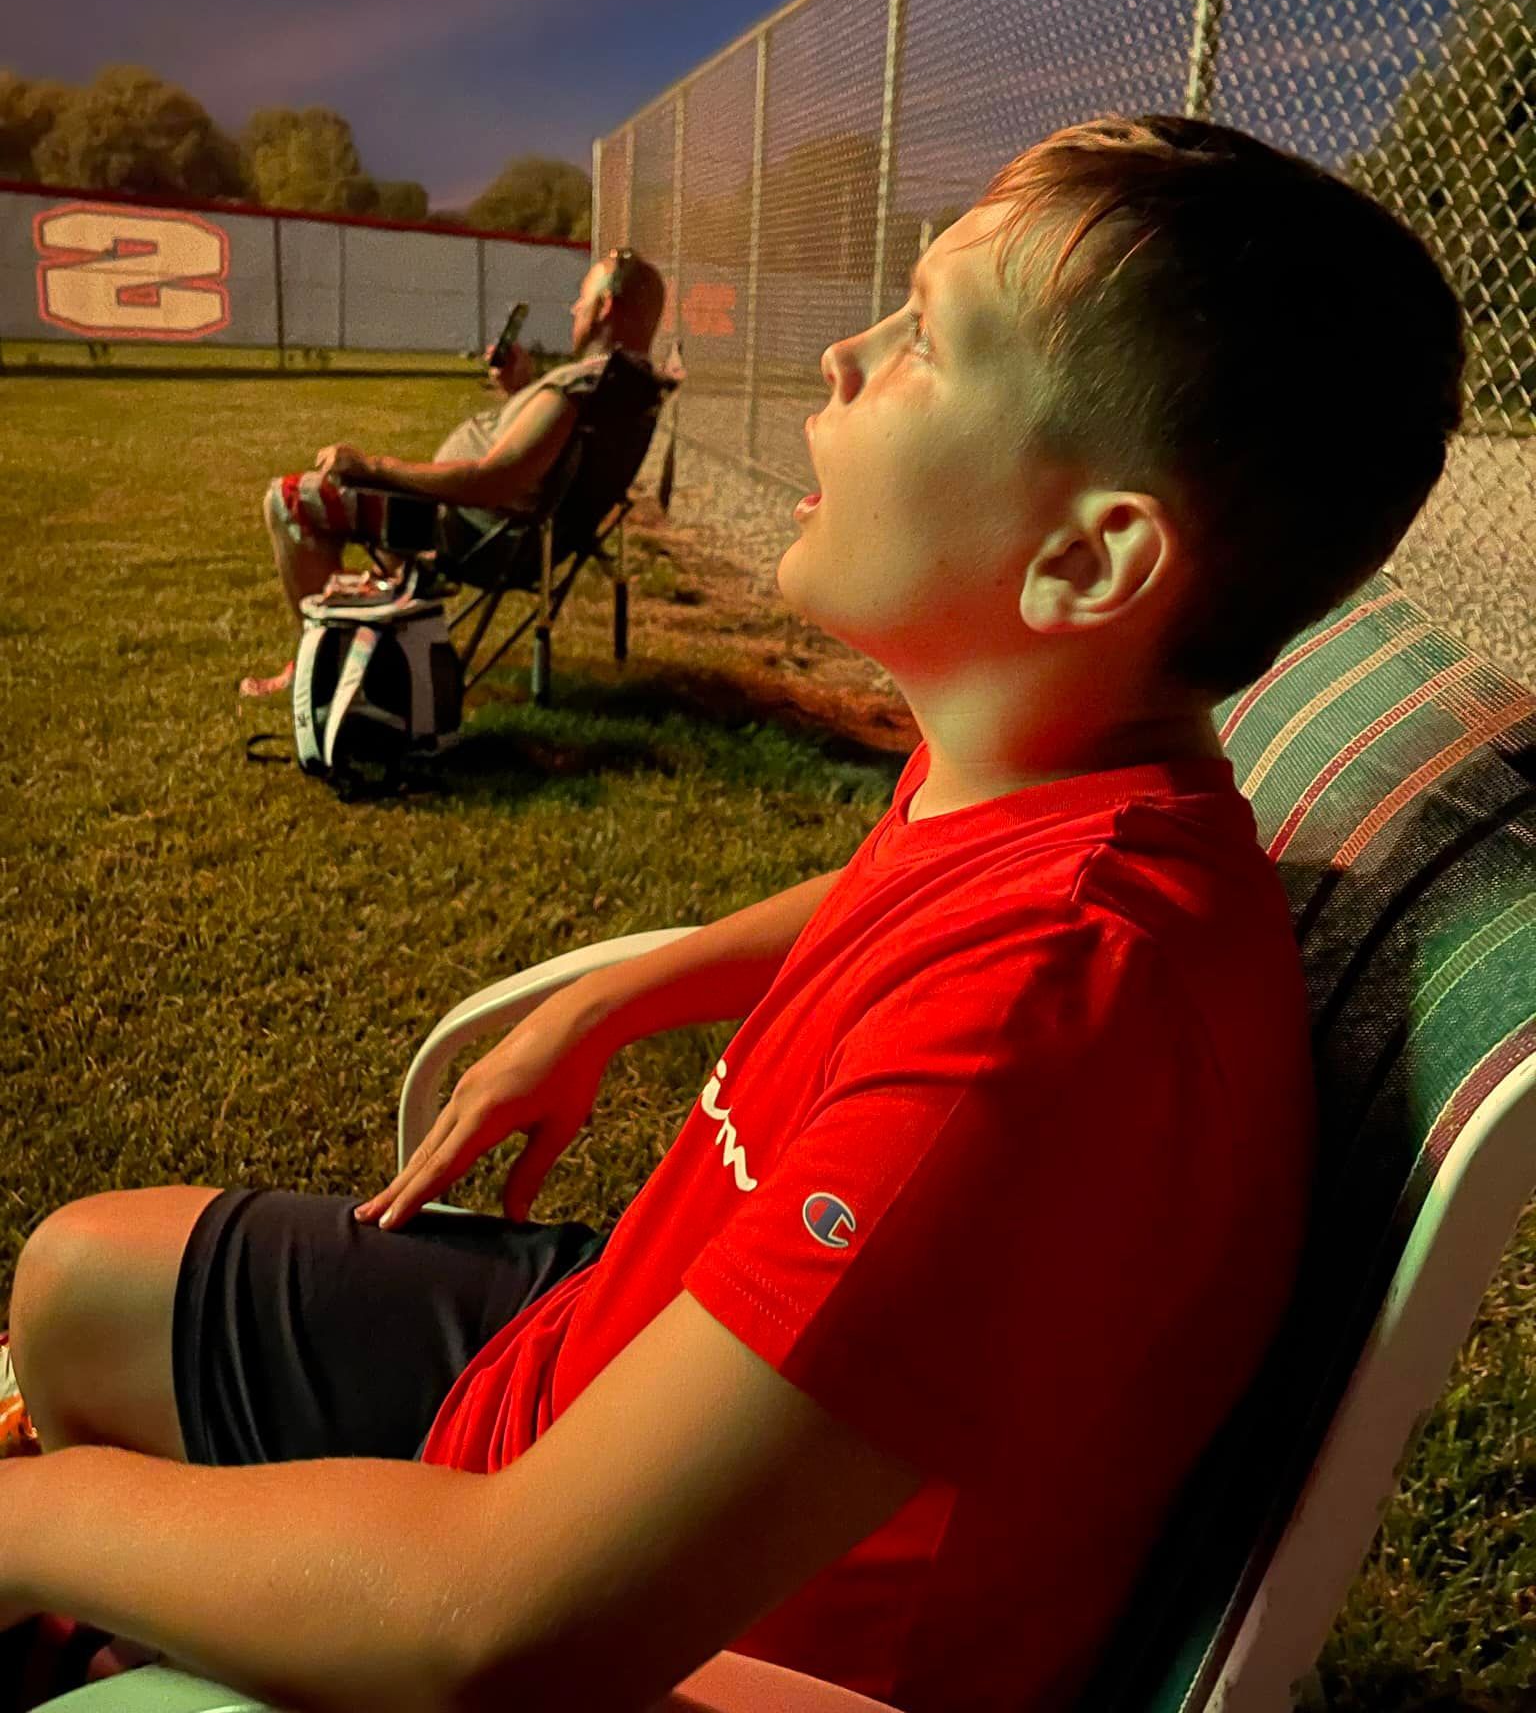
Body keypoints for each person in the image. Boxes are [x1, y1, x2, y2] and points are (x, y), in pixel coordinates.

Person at [1, 116, 1465, 1712]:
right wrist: (604, 1006)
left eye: (926, 336)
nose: (844, 353)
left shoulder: (1050, 1014)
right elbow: (894, 893)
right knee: (74, 1281)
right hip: (595, 1349)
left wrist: (26, 1521)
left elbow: (492, 1627)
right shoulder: (1051, 778)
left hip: (695, 1637)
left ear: (1085, 559)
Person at [237, 247, 670, 697]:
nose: (575, 309)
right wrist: (521, 390)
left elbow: (490, 480)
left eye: (582, 299)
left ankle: (322, 668)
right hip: (503, 530)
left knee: (291, 499)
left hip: (462, 529)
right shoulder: (623, 387)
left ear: (604, 307)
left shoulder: (578, 387)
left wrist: (372, 468)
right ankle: (364, 649)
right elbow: (543, 462)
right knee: (347, 503)